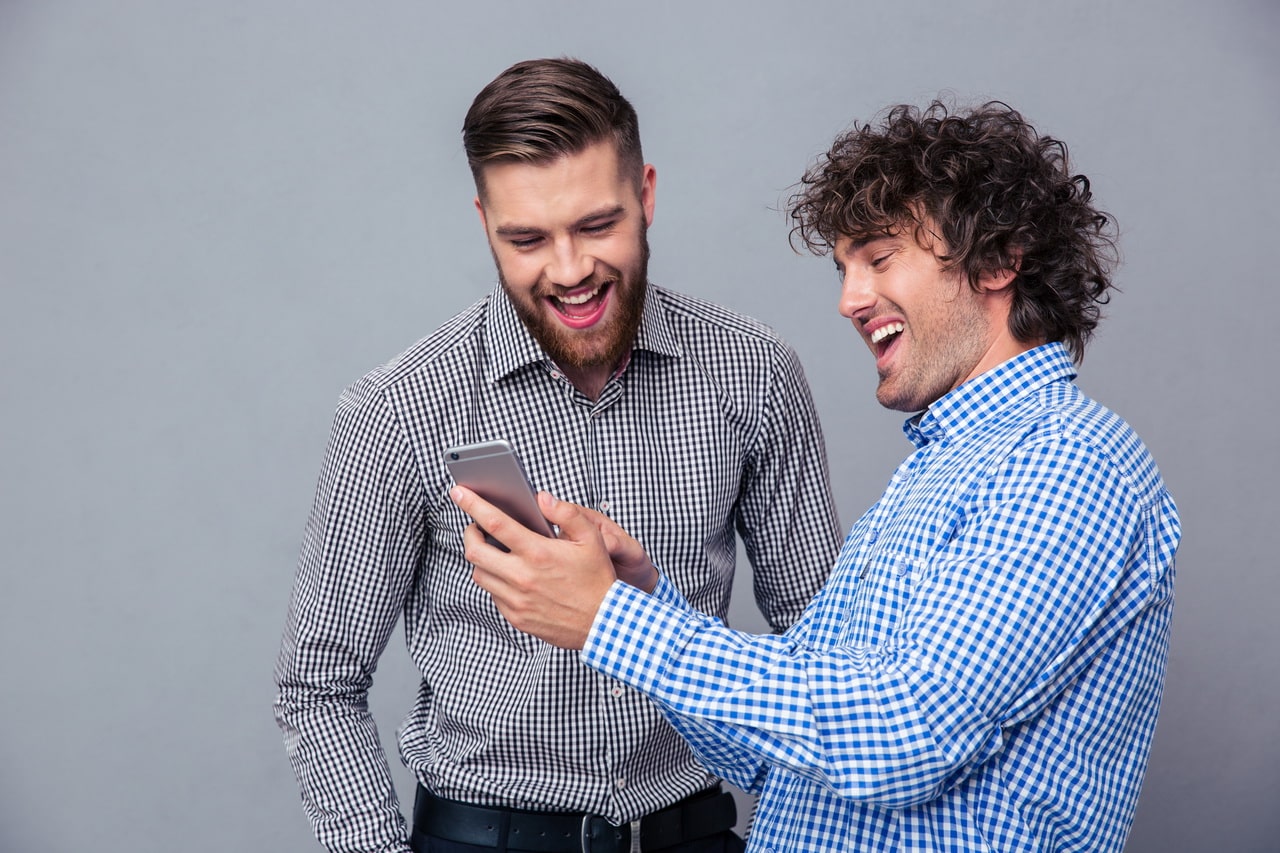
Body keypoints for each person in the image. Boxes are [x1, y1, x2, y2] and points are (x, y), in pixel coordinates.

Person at [452, 99, 1181, 852]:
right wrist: (645, 598)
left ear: (998, 260)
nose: (849, 300)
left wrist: (615, 621)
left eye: (879, 257)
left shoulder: (1068, 462)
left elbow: (908, 733)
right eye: (844, 269)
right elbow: (779, 759)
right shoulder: (939, 471)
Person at [273, 57, 841, 853]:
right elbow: (318, 685)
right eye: (528, 238)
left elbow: (825, 649)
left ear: (646, 195)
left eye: (596, 224)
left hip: (697, 831)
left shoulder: (755, 373)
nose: (571, 270)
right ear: (484, 223)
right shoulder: (398, 408)